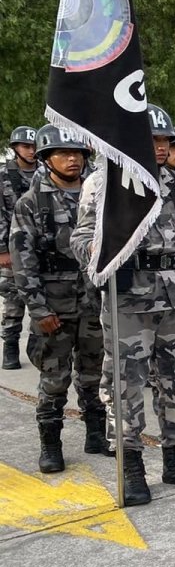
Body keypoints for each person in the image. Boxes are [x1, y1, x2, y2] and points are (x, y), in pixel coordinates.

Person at [71, 105, 175, 506]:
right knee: (124, 384)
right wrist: (106, 256)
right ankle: (131, 466)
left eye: (166, 140)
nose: (163, 147)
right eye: (154, 141)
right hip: (129, 297)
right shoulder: (103, 183)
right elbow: (80, 239)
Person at [10, 125, 107, 473]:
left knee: (95, 374)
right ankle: (50, 444)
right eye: (64, 153)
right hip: (55, 305)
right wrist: (38, 309)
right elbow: (23, 260)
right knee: (54, 379)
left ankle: (97, 433)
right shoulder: (31, 203)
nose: (73, 159)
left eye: (79, 153)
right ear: (46, 159)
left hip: (95, 302)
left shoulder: (98, 196)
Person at [1, 126, 39, 370]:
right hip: (12, 247)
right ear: (15, 148)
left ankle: (38, 348)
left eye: (34, 146)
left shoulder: (45, 172)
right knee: (13, 300)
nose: (31, 151)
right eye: (26, 146)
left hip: (39, 247)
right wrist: (2, 249)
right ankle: (10, 345)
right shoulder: (4, 174)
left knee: (42, 298)